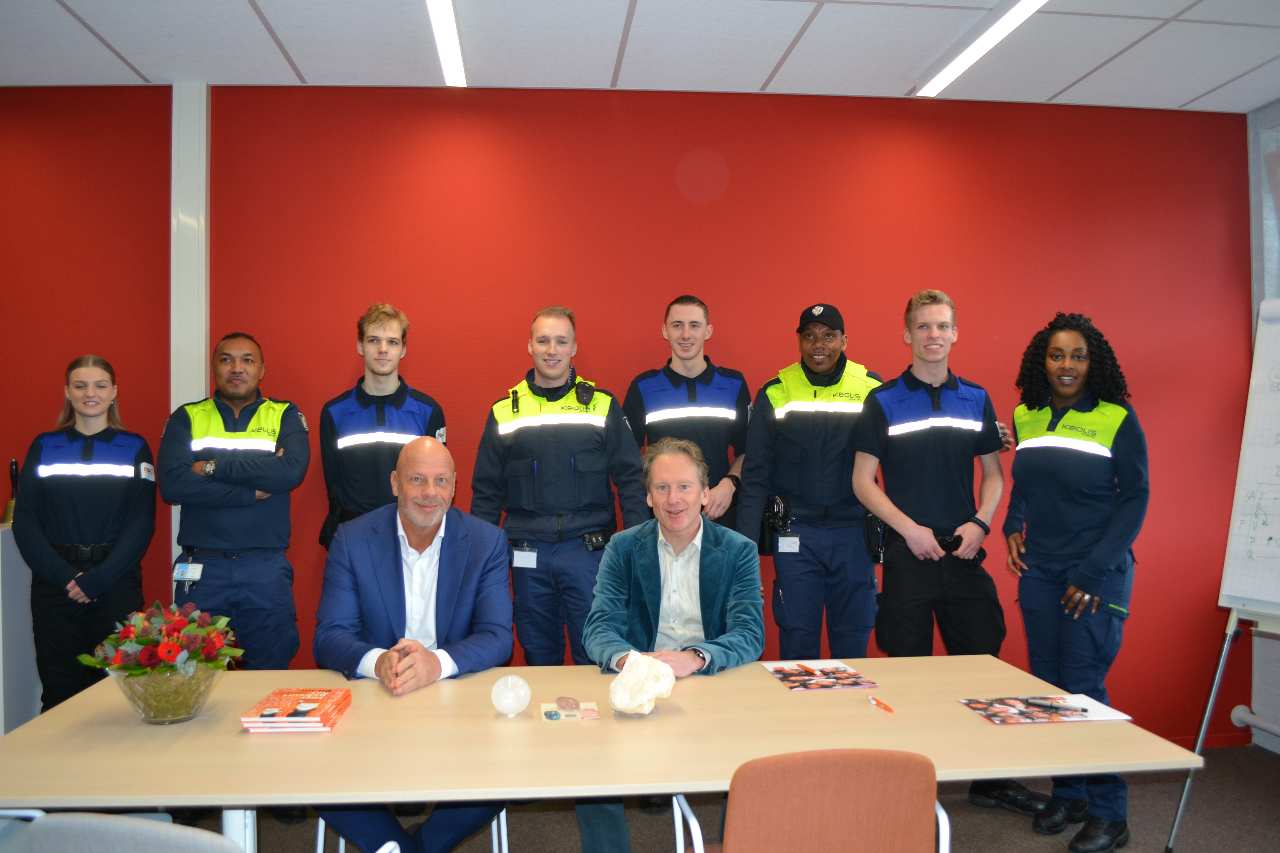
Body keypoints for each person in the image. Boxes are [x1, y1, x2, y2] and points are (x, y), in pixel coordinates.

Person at [852, 289, 1047, 818]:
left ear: (955, 333)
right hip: (909, 553)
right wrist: (909, 530)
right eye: (923, 326)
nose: (933, 335)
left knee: (982, 664)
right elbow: (863, 481)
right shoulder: (883, 400)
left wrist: (981, 524)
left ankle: (990, 780)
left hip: (963, 552)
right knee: (907, 672)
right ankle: (910, 781)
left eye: (942, 326)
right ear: (907, 334)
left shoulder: (976, 398)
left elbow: (993, 474)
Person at [314, 437, 510, 853]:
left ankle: (415, 846)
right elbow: (330, 635)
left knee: (510, 766)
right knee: (311, 770)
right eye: (417, 479)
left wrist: (436, 664)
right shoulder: (352, 539)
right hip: (375, 698)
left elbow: (497, 636)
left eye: (441, 481)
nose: (429, 493)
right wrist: (378, 661)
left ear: (454, 487)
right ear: (395, 483)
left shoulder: (486, 541)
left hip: (454, 699)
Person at [1004, 313, 1149, 853]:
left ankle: (1111, 813)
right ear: (1042, 361)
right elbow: (1025, 484)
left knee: (1085, 690)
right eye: (1057, 355)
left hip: (1096, 573)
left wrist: (1092, 571)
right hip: (1041, 571)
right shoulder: (1027, 415)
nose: (1067, 365)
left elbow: (1135, 498)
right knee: (1049, 688)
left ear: (1095, 363)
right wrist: (1013, 525)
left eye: (1078, 356)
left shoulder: (1116, 417)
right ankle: (1071, 794)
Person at [581, 437, 765, 851]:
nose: (673, 499)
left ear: (705, 493)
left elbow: (749, 633)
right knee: (590, 768)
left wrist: (695, 658)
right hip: (640, 684)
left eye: (684, 487)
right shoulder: (623, 548)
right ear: (648, 497)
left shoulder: (738, 551)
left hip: (711, 681)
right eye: (662, 488)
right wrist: (631, 662)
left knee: (753, 765)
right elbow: (599, 627)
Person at [471, 305, 646, 667]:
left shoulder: (602, 406)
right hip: (527, 553)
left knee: (595, 651)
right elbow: (486, 492)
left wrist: (636, 547)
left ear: (574, 348)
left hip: (589, 552)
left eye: (561, 341)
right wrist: (479, 562)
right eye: (543, 341)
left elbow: (631, 480)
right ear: (530, 346)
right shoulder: (505, 412)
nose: (552, 350)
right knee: (538, 652)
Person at [736, 303, 882, 660]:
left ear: (844, 340)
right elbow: (755, 475)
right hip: (795, 535)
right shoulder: (776, 391)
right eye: (810, 336)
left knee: (853, 639)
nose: (819, 345)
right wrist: (744, 548)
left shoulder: (871, 388)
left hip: (853, 533)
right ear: (799, 341)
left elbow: (903, 453)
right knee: (797, 637)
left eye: (829, 336)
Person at [157, 332, 309, 670]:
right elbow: (172, 485)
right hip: (202, 569)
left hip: (264, 568)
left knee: (270, 671)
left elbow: (289, 472)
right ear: (214, 367)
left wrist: (210, 467)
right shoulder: (187, 417)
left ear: (262, 369)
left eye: (247, 360)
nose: (237, 368)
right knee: (195, 674)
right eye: (226, 360)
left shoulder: (283, 414)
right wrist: (249, 491)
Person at [13, 355, 154, 711]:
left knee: (121, 695)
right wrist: (67, 577)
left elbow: (141, 523)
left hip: (115, 584)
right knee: (59, 690)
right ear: (67, 392)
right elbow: (25, 521)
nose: (90, 393)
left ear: (114, 392)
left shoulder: (134, 447)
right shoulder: (45, 446)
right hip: (56, 587)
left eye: (100, 385)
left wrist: (99, 579)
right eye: (80, 386)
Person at [318, 303, 446, 548]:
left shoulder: (428, 411)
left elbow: (437, 482)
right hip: (353, 539)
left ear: (403, 349)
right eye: (374, 340)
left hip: (411, 539)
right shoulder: (335, 412)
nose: (383, 349)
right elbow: (334, 487)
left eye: (392, 342)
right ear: (360, 346)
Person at [622, 296, 750, 529]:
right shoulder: (644, 387)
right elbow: (627, 457)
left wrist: (729, 485)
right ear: (665, 331)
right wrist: (659, 491)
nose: (685, 335)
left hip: (717, 515)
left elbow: (748, 450)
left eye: (694, 325)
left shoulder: (733, 384)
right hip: (664, 517)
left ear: (708, 331)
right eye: (677, 325)